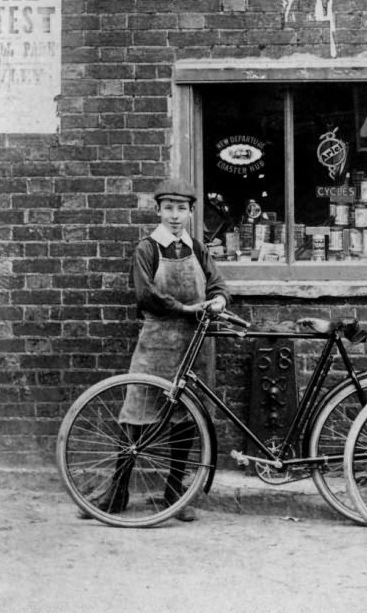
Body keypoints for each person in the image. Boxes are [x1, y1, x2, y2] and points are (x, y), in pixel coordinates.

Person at [79, 178, 230, 522]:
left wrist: (219, 297)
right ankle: (117, 491)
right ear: (158, 211)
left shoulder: (198, 248)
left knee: (187, 416)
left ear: (191, 212)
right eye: (168, 208)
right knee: (136, 412)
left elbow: (217, 281)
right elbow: (146, 294)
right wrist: (185, 309)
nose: (175, 216)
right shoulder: (147, 248)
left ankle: (175, 492)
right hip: (157, 341)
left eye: (181, 209)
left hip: (195, 344)